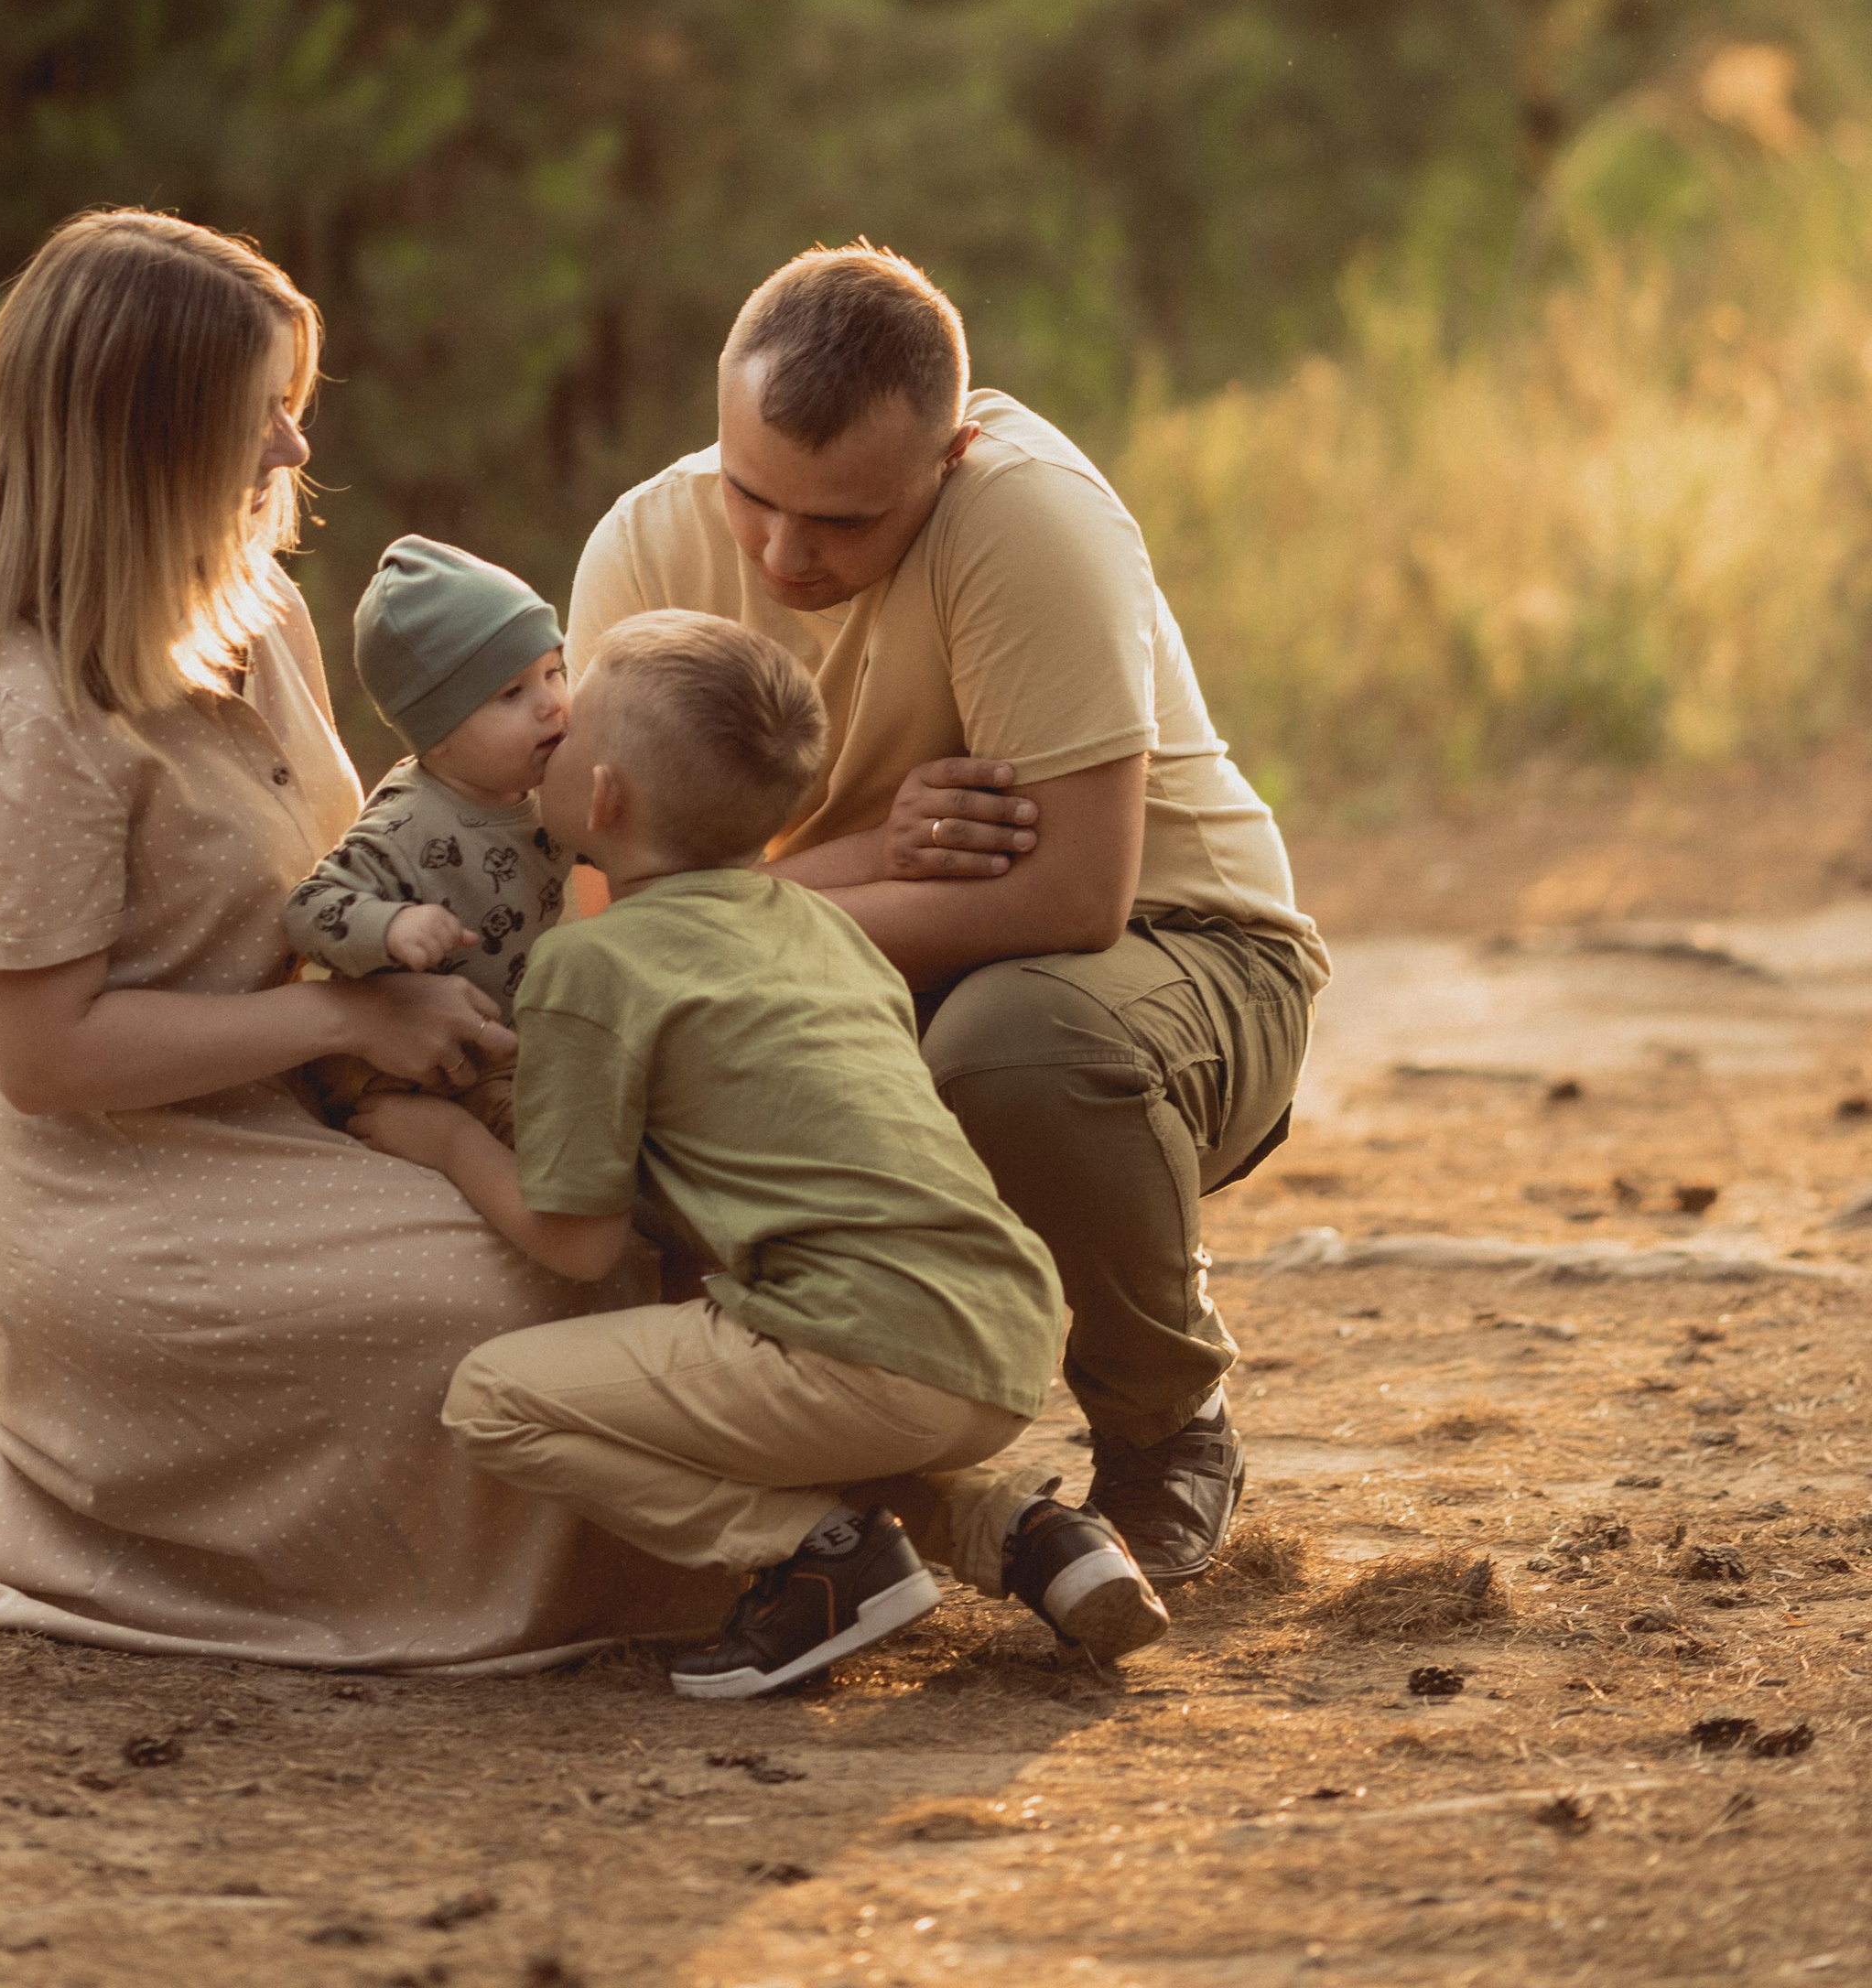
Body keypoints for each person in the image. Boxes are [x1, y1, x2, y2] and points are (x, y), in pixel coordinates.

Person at [0, 208, 718, 1670]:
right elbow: (46, 1057)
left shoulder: (262, 611)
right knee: (516, 1296)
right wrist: (352, 1024)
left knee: (614, 1223)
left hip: (318, 1112)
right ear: (143, 438)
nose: (296, 447)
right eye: (262, 415)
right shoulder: (18, 705)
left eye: (294, 406)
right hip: (121, 1182)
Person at [568, 243, 1329, 1586]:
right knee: (639, 1081)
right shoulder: (644, 547)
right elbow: (604, 922)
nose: (783, 552)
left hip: (1179, 962)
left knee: (1012, 1050)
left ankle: (1165, 1419)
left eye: (845, 520)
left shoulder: (1029, 518)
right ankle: (893, 1493)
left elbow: (1072, 896)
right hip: (883, 971)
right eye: (751, 494)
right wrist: (863, 858)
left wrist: (721, 912)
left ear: (952, 452)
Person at [354, 610, 1170, 1695]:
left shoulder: (589, 965)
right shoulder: (825, 927)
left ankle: (814, 1560)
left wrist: (445, 1135)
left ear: (602, 797)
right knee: (790, 1412)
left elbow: (577, 1242)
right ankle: (1022, 1535)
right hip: (1005, 1331)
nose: (546, 731)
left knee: (493, 1400)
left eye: (566, 729)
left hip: (861, 1345)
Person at [285, 535, 572, 1138]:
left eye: (554, 671)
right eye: (512, 693)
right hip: (422, 1071)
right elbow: (308, 910)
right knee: (558, 1146)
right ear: (437, 732)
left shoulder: (545, 789)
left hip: (507, 1048)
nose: (551, 703)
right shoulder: (407, 823)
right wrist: (390, 926)